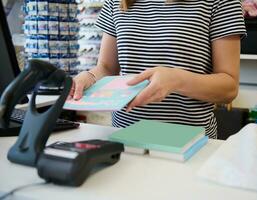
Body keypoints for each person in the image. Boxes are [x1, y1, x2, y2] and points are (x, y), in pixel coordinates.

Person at [69, 0, 246, 138]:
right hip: (124, 135)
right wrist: (90, 77)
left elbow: (229, 87)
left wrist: (177, 80)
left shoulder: (222, 2)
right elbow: (107, 67)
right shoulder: (117, 2)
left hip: (188, 141)